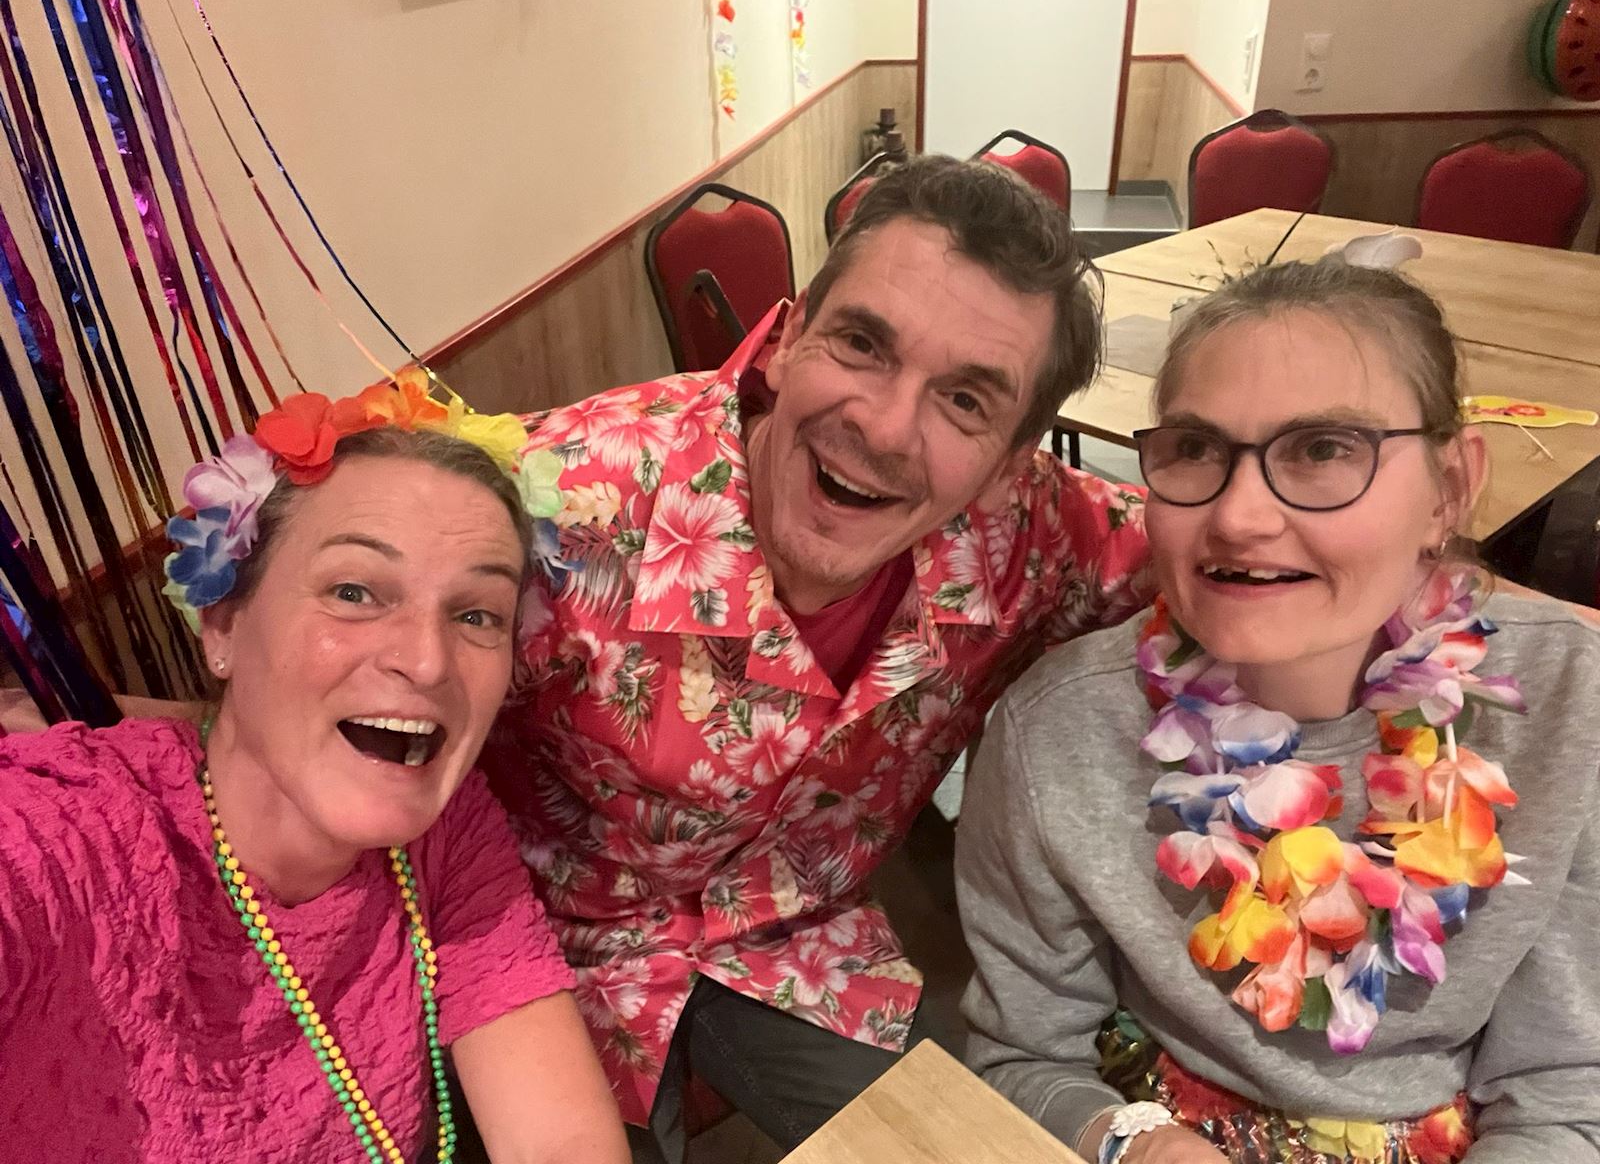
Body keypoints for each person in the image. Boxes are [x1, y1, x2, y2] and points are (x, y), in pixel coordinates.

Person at [483, 154, 1152, 1159]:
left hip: (792, 946)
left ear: (1013, 462)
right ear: (787, 339)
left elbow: (1230, 556)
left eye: (966, 402)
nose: (883, 425)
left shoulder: (1031, 540)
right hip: (542, 952)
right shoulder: (558, 502)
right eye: (862, 343)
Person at [956, 258, 1600, 1163]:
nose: (1240, 518)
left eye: (1324, 449)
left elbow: (1567, 1090)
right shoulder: (1054, 735)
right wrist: (1132, 1143)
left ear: (1450, 490)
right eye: (1195, 448)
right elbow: (1024, 1053)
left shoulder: (1567, 702)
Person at [0, 371, 630, 1163]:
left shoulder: (445, 831)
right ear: (223, 627)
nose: (428, 661)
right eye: (355, 591)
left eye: (476, 614)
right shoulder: (70, 831)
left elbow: (561, 1141)